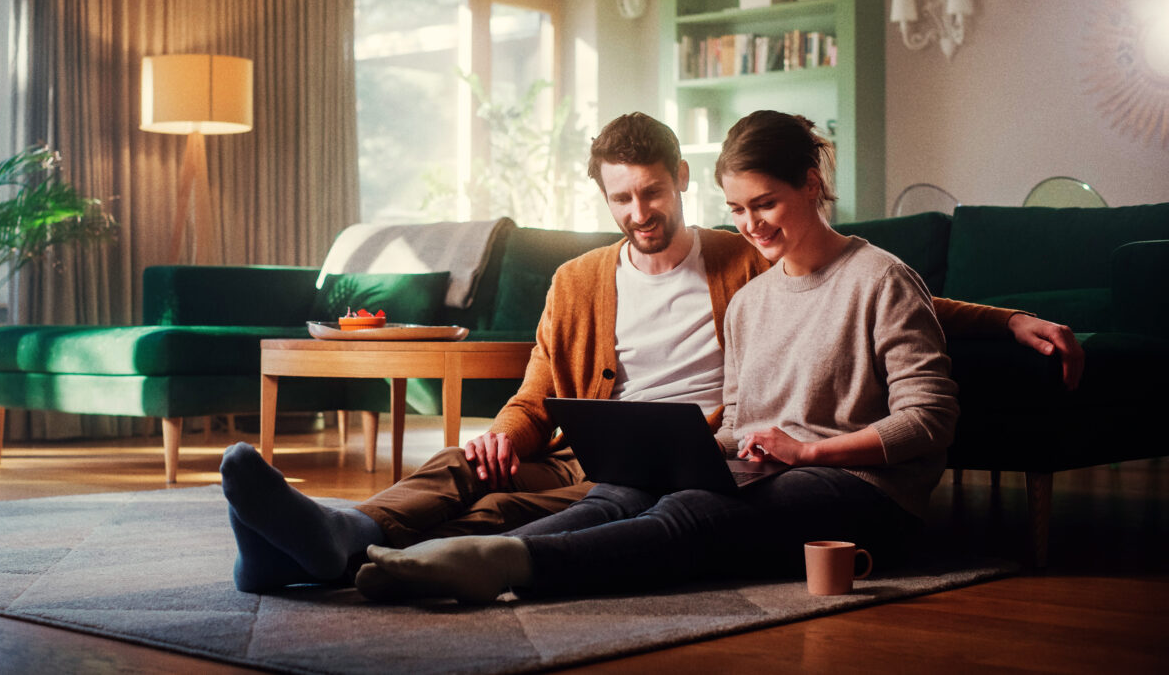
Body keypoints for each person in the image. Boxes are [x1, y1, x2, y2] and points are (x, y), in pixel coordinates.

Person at [219, 111, 1083, 593]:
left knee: (553, 517)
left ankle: (399, 564)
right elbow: (536, 393)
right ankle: (335, 536)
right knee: (467, 468)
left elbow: (885, 299)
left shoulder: (746, 262)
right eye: (622, 199)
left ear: (677, 183)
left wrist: (1005, 318)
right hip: (609, 455)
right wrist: (508, 438)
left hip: (711, 458)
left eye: (654, 192)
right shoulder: (587, 282)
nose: (640, 212)